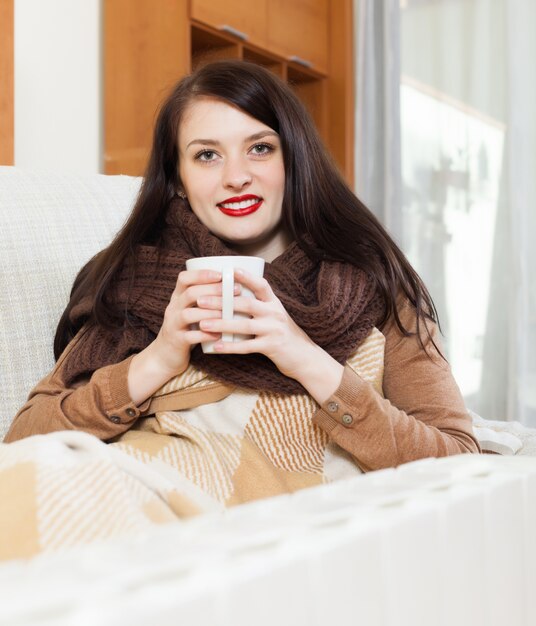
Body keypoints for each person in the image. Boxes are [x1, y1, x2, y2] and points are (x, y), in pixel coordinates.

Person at [3, 60, 480, 498]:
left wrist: (302, 356)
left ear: (294, 159)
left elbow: (458, 458)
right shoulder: (135, 276)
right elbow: (23, 442)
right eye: (207, 155)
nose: (236, 176)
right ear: (178, 179)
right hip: (131, 500)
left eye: (260, 148)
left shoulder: (371, 279)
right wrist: (158, 359)